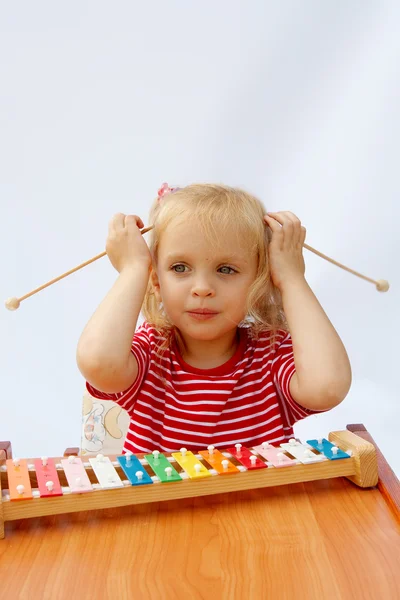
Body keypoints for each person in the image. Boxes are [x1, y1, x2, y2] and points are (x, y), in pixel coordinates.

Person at [76, 183, 352, 454]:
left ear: (259, 281)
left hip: (262, 501)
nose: (202, 287)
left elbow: (327, 387)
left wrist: (292, 279)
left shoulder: (270, 354)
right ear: (156, 282)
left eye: (226, 269)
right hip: (164, 500)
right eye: (180, 267)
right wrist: (133, 268)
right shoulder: (151, 351)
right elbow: (98, 362)